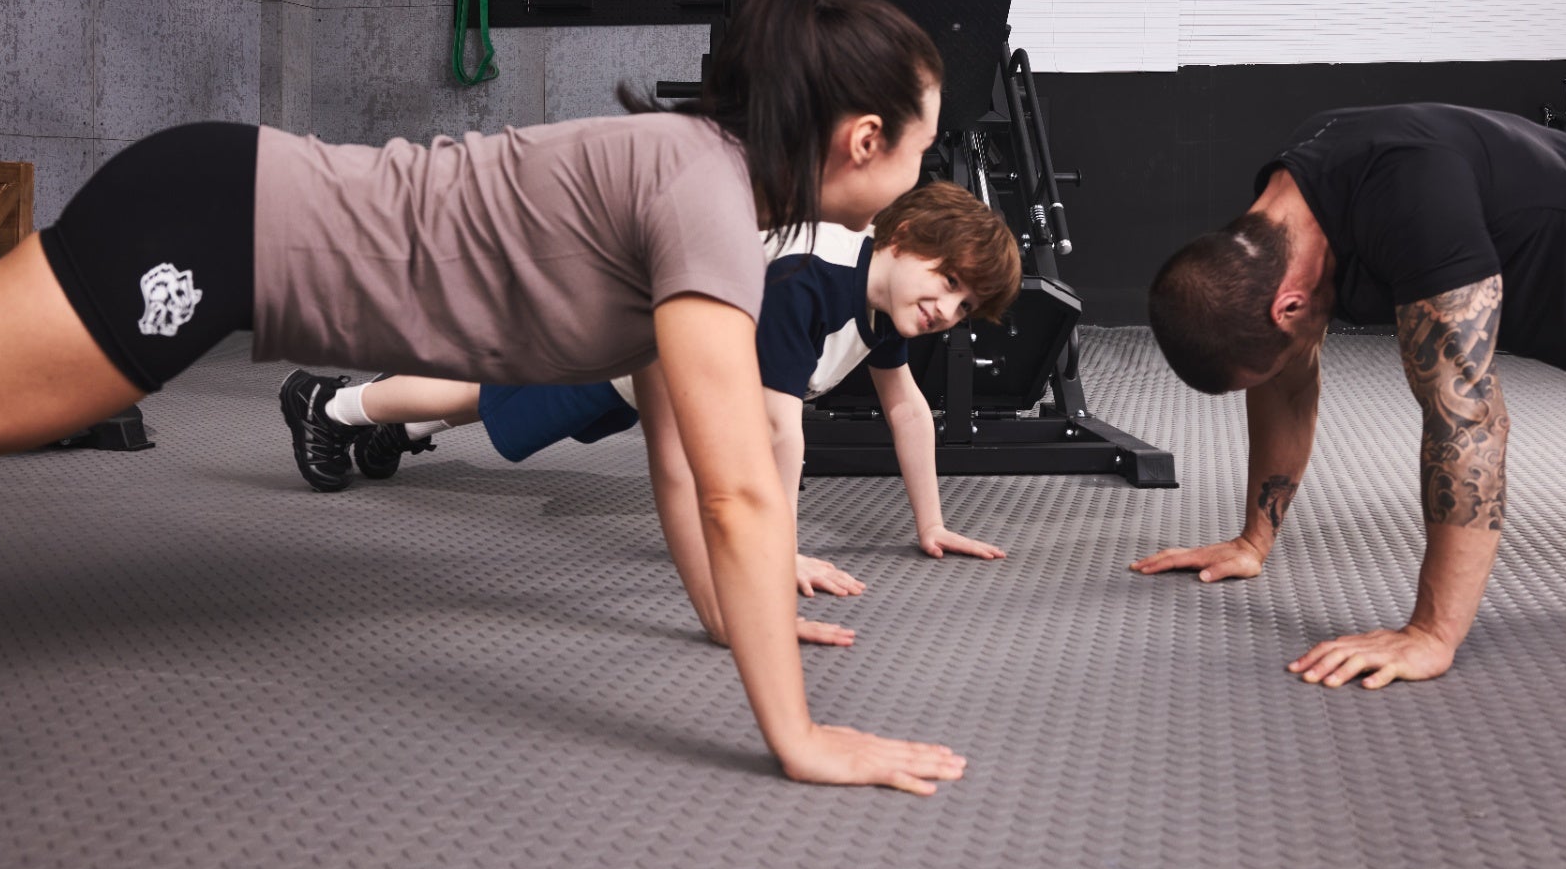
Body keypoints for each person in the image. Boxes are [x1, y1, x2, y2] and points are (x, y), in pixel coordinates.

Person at [0, 0, 970, 795]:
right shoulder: (707, 203)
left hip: (224, 217)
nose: (925, 169)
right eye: (924, 145)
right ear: (865, 138)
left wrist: (732, 618)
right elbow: (741, 492)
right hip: (213, 226)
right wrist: (802, 739)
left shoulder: (706, 197)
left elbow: (678, 456)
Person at [1133, 102, 1566, 690]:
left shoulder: (1412, 205)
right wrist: (1253, 541)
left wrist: (1431, 633)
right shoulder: (1283, 217)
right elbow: (1285, 382)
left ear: (1287, 305)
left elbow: (1468, 421)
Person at [277, 182, 1023, 645]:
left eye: (964, 305)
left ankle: (392, 425)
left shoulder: (884, 305)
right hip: (628, 324)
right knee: (487, 388)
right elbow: (775, 433)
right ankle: (329, 402)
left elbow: (909, 410)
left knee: (505, 400)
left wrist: (930, 521)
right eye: (947, 280)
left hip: (670, 369)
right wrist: (776, 556)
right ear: (901, 240)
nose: (946, 308)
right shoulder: (813, 281)